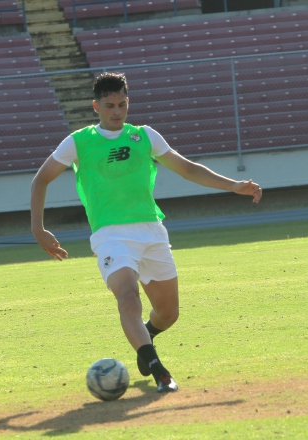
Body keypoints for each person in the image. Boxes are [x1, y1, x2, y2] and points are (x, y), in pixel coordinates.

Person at [30, 72, 262, 393]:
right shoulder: (78, 142)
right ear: (96, 106)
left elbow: (187, 168)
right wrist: (38, 228)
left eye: (122, 104)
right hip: (110, 235)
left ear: (128, 102)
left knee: (168, 313)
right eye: (109, 105)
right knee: (127, 295)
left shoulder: (145, 136)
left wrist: (233, 184)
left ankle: (146, 335)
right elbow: (41, 179)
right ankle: (158, 370)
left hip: (152, 231)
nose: (116, 111)